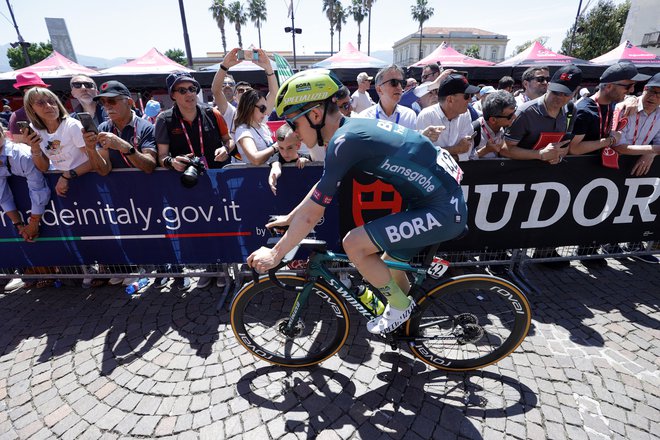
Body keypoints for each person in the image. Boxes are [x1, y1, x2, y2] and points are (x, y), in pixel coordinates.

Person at [248, 69, 467, 334]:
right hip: (432, 202)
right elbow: (321, 189)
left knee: (354, 243)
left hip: (441, 210)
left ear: (315, 115)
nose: (293, 134)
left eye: (295, 124)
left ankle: (399, 307)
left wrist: (275, 254)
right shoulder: (349, 132)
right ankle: (406, 321)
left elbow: (313, 215)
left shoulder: (344, 142)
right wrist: (291, 216)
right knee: (387, 264)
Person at [22, 87, 103, 197]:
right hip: (61, 184)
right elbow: (43, 167)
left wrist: (66, 176)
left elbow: (95, 161)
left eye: (51, 101)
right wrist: (35, 148)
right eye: (41, 103)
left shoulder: (72, 126)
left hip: (89, 180)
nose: (49, 106)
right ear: (32, 109)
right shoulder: (35, 129)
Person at [501, 65, 583, 164]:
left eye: (566, 93)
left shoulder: (570, 110)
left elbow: (565, 146)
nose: (559, 97)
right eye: (555, 91)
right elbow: (504, 149)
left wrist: (558, 156)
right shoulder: (525, 112)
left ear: (576, 92)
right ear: (548, 85)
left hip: (551, 176)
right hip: (521, 175)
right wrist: (539, 154)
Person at [569, 62, 650, 156]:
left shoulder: (614, 104)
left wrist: (632, 99)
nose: (632, 90)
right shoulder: (584, 111)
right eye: (628, 86)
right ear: (608, 86)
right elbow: (573, 149)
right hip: (581, 167)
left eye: (633, 86)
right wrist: (610, 141)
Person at [84, 81, 158, 175]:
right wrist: (90, 149)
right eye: (102, 102)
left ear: (129, 102)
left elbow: (150, 166)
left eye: (112, 100)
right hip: (117, 187)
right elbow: (104, 171)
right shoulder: (103, 128)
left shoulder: (146, 127)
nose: (107, 106)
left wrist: (124, 147)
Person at [224, 50, 278, 166]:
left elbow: (274, 92)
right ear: (250, 107)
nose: (265, 111)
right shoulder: (243, 129)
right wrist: (276, 146)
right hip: (253, 179)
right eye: (262, 108)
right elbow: (255, 159)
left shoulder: (262, 125)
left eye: (265, 108)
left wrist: (268, 67)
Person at [0, 123, 50, 242]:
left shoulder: (22, 155)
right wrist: (19, 225)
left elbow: (38, 188)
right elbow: (3, 197)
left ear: (3, 133)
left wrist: (33, 224)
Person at [416, 72, 480, 161]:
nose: (470, 100)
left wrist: (445, 153)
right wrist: (456, 149)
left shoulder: (465, 114)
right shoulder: (426, 116)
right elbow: (424, 155)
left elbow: (466, 150)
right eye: (466, 96)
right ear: (450, 100)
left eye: (471, 96)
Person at [612, 72, 659, 176]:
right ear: (645, 89)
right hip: (612, 165)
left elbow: (658, 143)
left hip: (637, 170)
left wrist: (651, 154)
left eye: (659, 94)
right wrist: (652, 150)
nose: (653, 97)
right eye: (652, 91)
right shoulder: (626, 108)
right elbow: (617, 146)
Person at [358, 65, 417, 130]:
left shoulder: (410, 116)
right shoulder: (364, 118)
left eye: (402, 83)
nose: (399, 87)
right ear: (379, 89)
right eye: (394, 82)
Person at [268, 125, 311, 195]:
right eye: (281, 148)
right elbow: (276, 167)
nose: (285, 153)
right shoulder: (277, 157)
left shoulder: (306, 157)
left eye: (289, 148)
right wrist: (273, 176)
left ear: (298, 146)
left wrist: (307, 161)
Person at [8, 72, 49, 144]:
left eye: (43, 88)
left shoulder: (52, 108)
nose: (43, 91)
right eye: (39, 88)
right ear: (26, 91)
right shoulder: (19, 116)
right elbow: (19, 145)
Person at [475, 91, 517, 158]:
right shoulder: (474, 130)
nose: (514, 117)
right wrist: (485, 150)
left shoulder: (509, 127)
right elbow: (463, 160)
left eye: (515, 112)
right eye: (510, 116)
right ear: (493, 120)